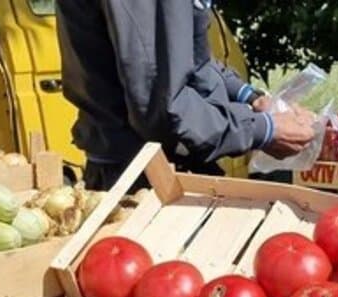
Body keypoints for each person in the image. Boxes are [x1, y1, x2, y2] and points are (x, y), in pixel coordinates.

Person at [55, 0, 316, 190]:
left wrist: (249, 97)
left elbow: (190, 58)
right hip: (145, 183)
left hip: (156, 172)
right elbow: (164, 110)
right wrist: (263, 130)